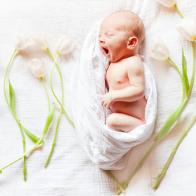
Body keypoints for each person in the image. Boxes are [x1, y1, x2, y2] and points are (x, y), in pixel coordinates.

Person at [99, 10, 146, 132]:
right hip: (123, 116)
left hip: (136, 119)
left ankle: (141, 127)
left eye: (109, 35)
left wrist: (114, 96)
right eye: (100, 36)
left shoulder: (132, 62)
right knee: (111, 120)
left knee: (112, 121)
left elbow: (139, 90)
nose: (101, 40)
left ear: (131, 42)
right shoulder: (112, 64)